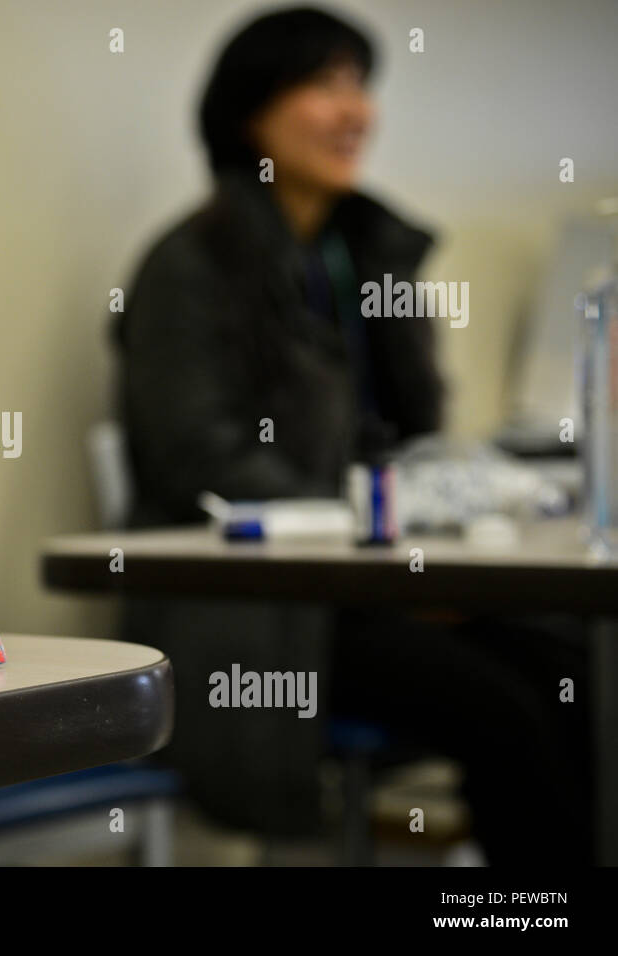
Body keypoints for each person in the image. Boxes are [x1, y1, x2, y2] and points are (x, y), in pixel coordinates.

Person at [113, 5, 591, 864]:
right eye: (321, 84)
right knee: (512, 710)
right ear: (248, 111)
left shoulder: (367, 254)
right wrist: (375, 544)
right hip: (270, 606)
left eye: (360, 86)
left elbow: (414, 435)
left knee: (580, 669)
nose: (355, 111)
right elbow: (200, 461)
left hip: (380, 580)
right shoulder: (191, 267)